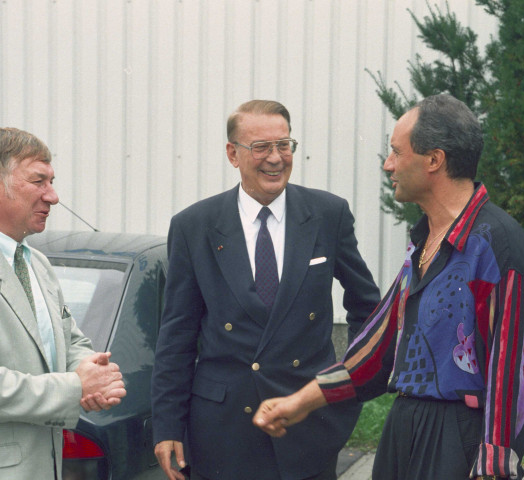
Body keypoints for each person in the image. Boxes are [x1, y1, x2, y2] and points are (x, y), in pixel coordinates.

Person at [254, 94, 524, 480]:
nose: (388, 164)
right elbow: (376, 350)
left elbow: (512, 375)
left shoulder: (497, 245)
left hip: (458, 441)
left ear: (433, 160)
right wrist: (300, 403)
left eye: (395, 152)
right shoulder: (424, 242)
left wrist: (493, 468)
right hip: (404, 432)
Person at [151, 99, 381, 480]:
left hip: (308, 425)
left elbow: (367, 309)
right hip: (222, 432)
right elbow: (177, 333)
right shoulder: (195, 225)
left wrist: (344, 386)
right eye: (261, 147)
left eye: (284, 145)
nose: (276, 158)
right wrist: (168, 426)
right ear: (233, 154)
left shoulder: (327, 214)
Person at [0, 127, 127, 479]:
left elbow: (69, 340)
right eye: (38, 181)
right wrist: (76, 387)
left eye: (51, 181)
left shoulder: (34, 262)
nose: (53, 196)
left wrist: (94, 369)